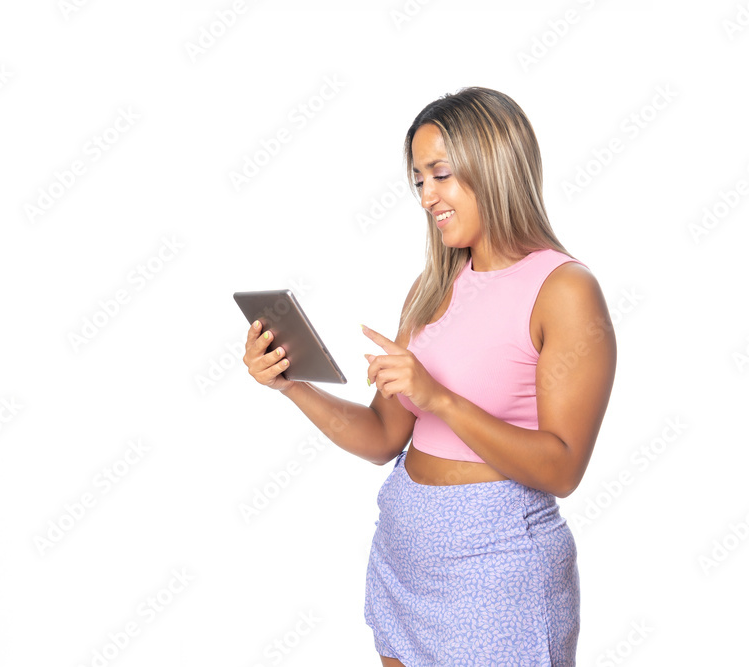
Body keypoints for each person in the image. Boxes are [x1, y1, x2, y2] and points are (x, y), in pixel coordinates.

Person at [242, 86, 616, 666]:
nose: (426, 196)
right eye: (418, 180)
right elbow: (382, 438)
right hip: (406, 559)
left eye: (440, 175)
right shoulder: (431, 288)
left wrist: (438, 398)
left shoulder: (564, 289)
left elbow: (563, 467)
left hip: (498, 570)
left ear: (492, 165)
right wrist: (291, 384)